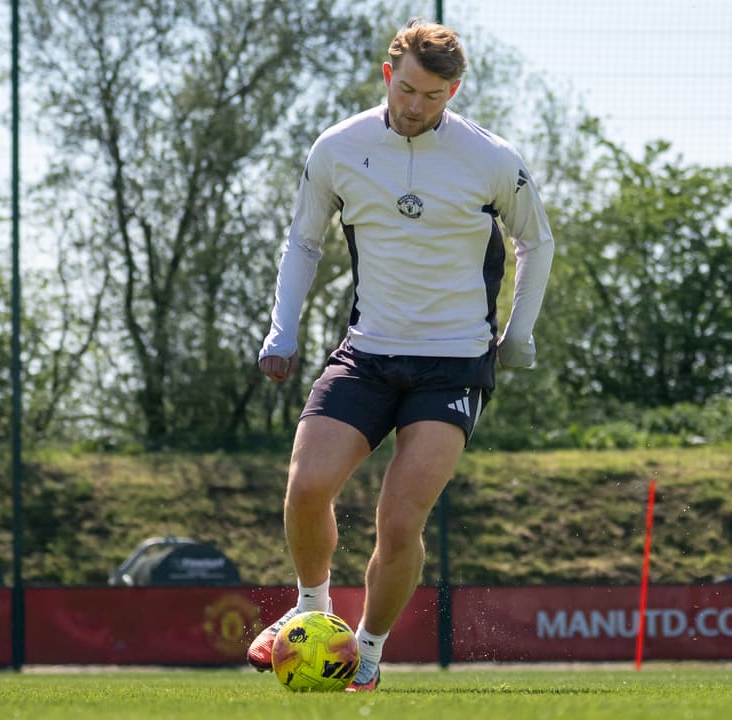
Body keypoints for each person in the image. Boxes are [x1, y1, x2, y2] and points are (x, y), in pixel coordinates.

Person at [247, 19, 555, 691]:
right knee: (306, 489)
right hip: (368, 352)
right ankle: (310, 610)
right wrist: (283, 331)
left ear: (455, 91)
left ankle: (369, 652)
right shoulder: (339, 147)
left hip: (454, 363)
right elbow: (303, 240)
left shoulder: (491, 157)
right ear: (390, 76)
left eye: (435, 96)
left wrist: (518, 334)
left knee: (398, 516)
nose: (417, 107)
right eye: (409, 90)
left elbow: (538, 241)